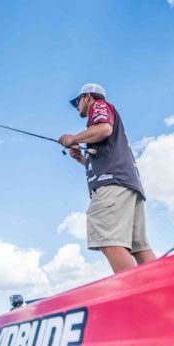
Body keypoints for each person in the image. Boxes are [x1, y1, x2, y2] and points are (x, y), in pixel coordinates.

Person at [58, 83, 155, 273]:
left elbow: (104, 129)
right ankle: (161, 294)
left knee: (108, 239)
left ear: (86, 97)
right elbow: (105, 157)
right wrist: (80, 158)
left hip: (112, 185)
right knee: (140, 247)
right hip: (127, 186)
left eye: (77, 102)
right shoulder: (107, 126)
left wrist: (74, 138)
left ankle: (135, 296)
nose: (77, 107)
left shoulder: (98, 106)